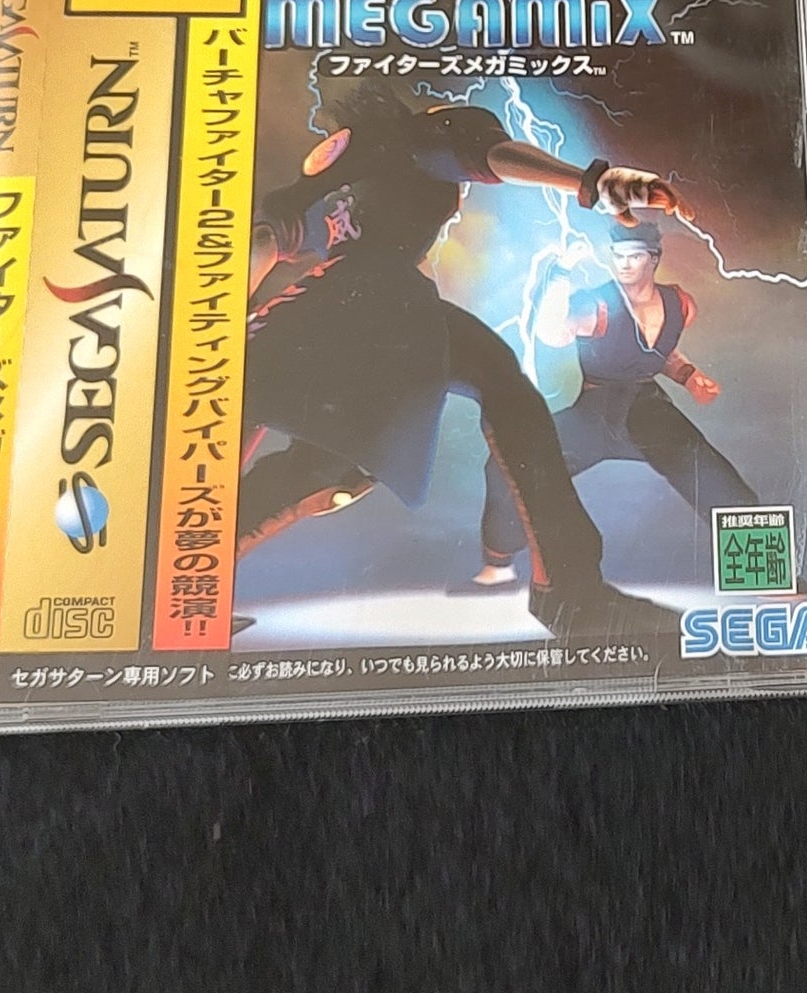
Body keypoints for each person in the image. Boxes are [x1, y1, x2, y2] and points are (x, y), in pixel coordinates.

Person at [240, 87, 686, 640]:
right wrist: (589, 182)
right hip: (385, 303)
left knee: (330, 455)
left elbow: (267, 240)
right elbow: (487, 155)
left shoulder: (330, 168)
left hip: (313, 304)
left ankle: (193, 571)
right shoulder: (413, 134)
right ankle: (571, 593)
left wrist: (232, 322)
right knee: (493, 393)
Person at [469, 220, 759, 589]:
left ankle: (760, 568)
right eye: (618, 256)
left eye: (634, 256)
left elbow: (659, 351)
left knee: (708, 470)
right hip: (595, 410)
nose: (624, 264)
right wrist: (561, 274)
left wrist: (688, 375)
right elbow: (552, 333)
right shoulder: (597, 304)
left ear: (653, 259)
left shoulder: (681, 304)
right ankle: (498, 560)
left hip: (646, 409)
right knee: (508, 461)